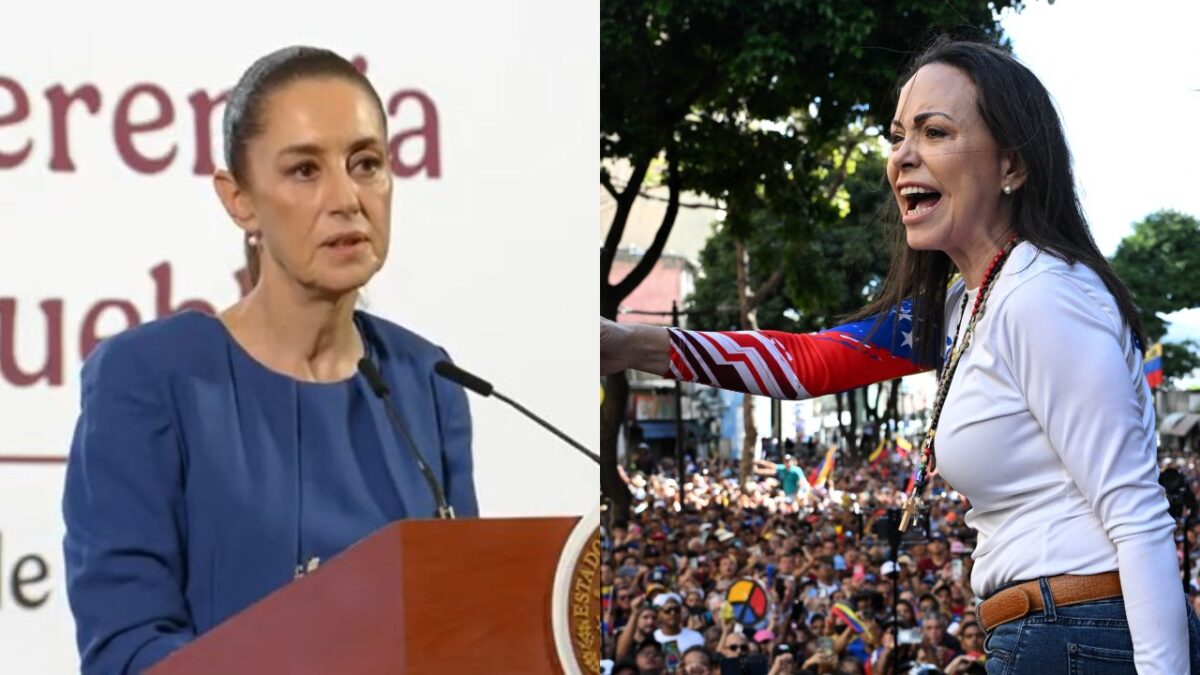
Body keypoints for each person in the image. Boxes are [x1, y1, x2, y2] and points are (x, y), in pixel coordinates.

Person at [602, 36, 1200, 673]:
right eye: (897, 136)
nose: (902, 158)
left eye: (935, 131)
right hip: (1053, 634)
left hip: (1085, 637)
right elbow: (813, 361)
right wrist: (627, 345)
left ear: (1012, 166)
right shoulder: (969, 301)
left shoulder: (1044, 296)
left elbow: (1137, 517)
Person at [62, 47, 478, 674]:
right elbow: (127, 647)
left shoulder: (429, 380)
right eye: (305, 171)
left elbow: (466, 620)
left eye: (366, 163)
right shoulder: (147, 378)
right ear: (240, 200)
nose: (347, 198)